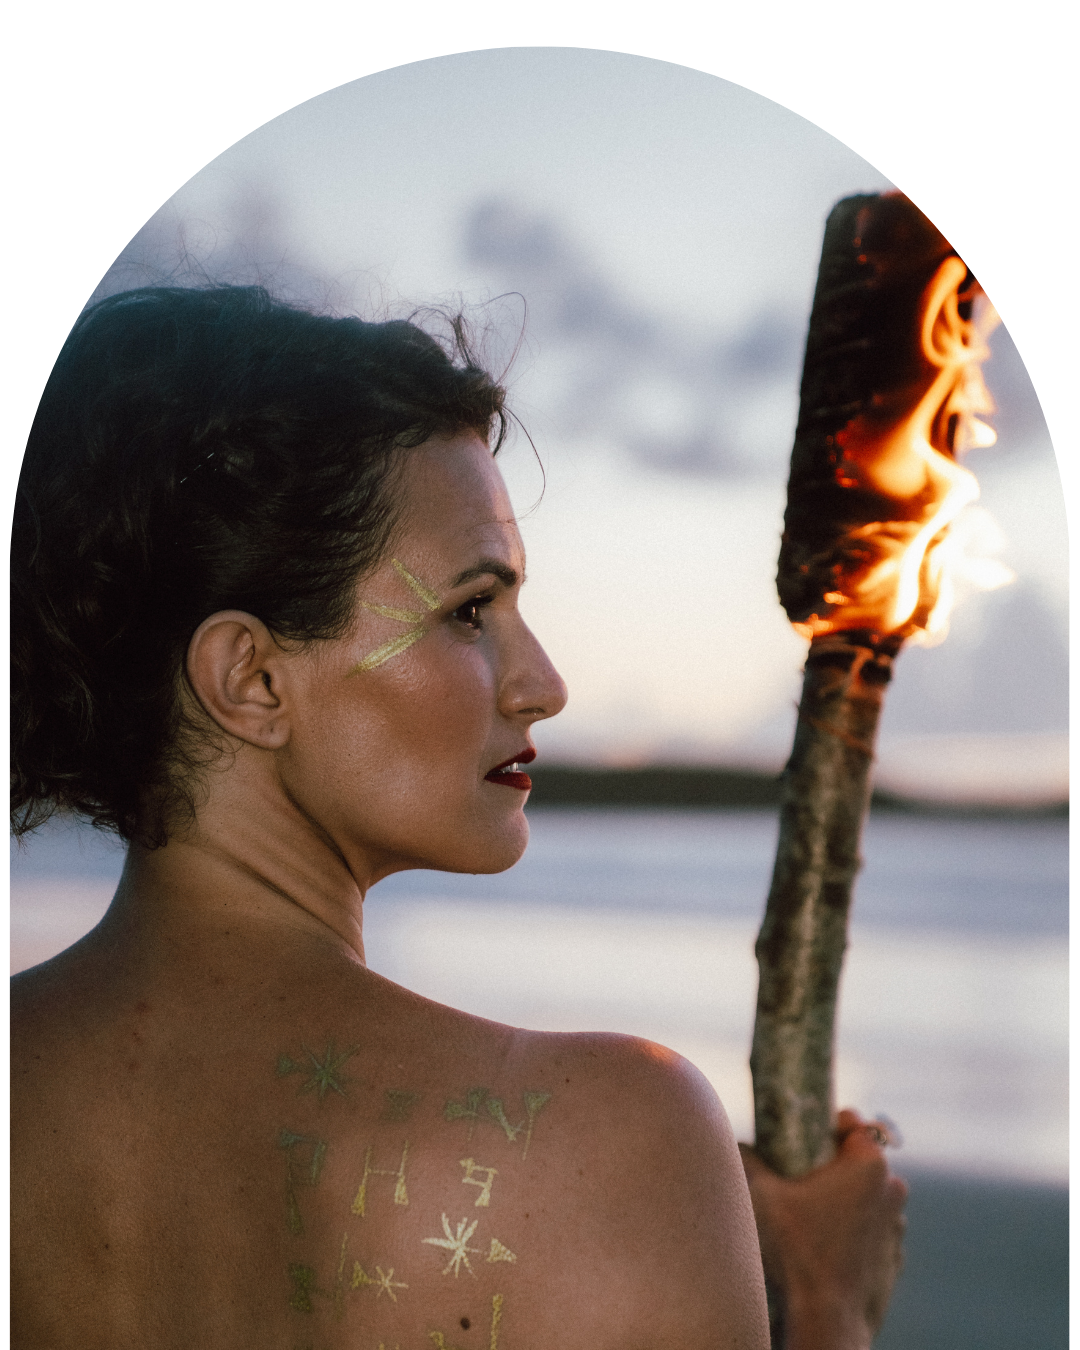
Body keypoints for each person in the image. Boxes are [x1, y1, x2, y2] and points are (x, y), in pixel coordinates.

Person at [9, 285, 906, 1350]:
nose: (545, 685)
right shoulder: (614, 1135)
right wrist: (826, 1303)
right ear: (251, 679)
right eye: (470, 609)